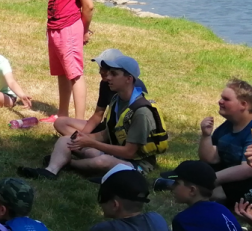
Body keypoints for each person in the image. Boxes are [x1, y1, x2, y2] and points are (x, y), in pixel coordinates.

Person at [19, 54, 166, 180]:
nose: (108, 77)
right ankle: (50, 171)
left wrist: (92, 143)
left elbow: (129, 152)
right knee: (66, 140)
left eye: (114, 74)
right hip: (115, 153)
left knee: (102, 161)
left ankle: (68, 163)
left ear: (128, 79)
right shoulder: (117, 99)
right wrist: (83, 138)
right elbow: (107, 133)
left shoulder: (141, 112)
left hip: (136, 164)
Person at [36, 0, 94, 120]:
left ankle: (79, 121)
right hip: (55, 28)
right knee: (61, 72)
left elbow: (88, 6)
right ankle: (62, 115)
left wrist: (84, 30)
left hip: (69, 27)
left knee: (75, 74)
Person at [164, 160, 249, 231]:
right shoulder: (222, 209)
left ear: (192, 190)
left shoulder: (184, 221)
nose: (171, 187)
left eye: (176, 183)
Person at [51, 48, 146, 138]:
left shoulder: (131, 88)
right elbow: (98, 115)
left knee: (66, 142)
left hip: (119, 134)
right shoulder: (105, 84)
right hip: (106, 129)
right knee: (60, 123)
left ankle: (87, 146)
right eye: (100, 67)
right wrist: (83, 136)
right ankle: (83, 144)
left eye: (104, 68)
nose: (100, 71)